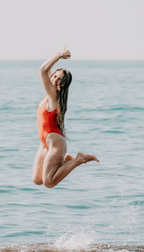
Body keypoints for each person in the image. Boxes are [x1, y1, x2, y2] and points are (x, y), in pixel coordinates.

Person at [32, 47, 99, 188]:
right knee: (37, 180)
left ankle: (78, 160)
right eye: (54, 76)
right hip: (45, 144)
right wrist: (55, 68)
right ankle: (66, 159)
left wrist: (60, 55)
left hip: (56, 144)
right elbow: (47, 71)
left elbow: (42, 70)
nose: (55, 79)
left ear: (62, 86)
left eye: (59, 79)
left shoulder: (54, 95)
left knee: (49, 182)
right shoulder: (48, 92)